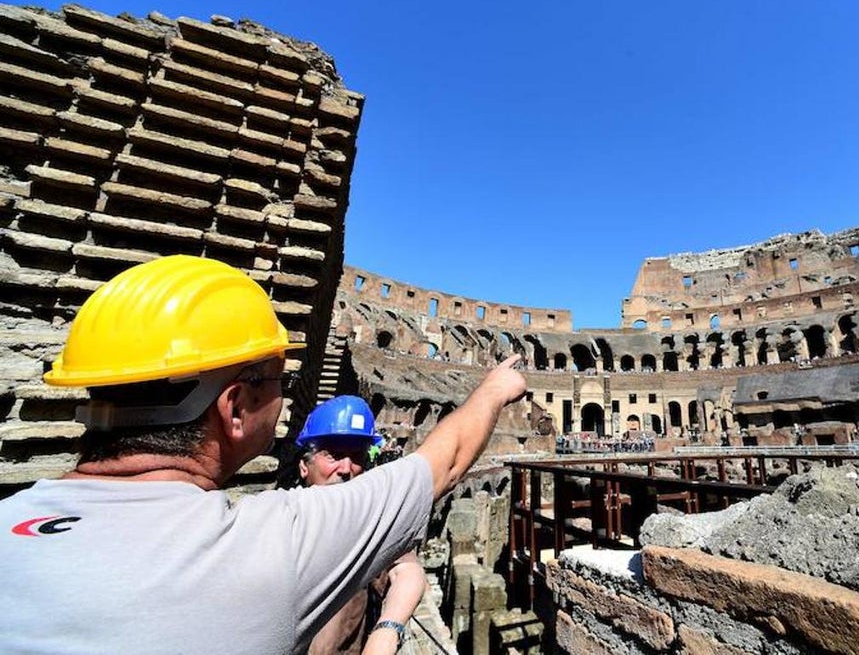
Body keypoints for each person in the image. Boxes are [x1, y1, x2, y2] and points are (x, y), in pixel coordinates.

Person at [0, 255, 526, 654]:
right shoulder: (272, 545)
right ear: (236, 407)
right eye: (280, 379)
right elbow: (448, 458)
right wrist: (496, 387)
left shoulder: (9, 521)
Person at [296, 395, 426, 655]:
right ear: (304, 467)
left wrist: (387, 631)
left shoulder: (368, 522)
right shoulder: (279, 516)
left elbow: (408, 572)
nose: (346, 468)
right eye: (334, 455)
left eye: (356, 456)